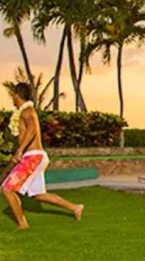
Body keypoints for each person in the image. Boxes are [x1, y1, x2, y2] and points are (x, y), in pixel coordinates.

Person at [1, 82, 84, 229]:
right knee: (38, 195)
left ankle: (22, 224)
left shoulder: (28, 111)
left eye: (13, 96)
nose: (12, 99)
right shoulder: (24, 111)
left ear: (16, 95)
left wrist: (20, 150)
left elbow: (32, 129)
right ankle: (75, 207)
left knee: (7, 188)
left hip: (33, 157)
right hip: (34, 156)